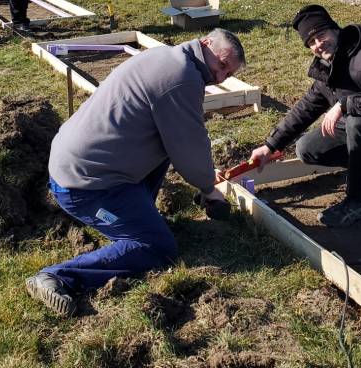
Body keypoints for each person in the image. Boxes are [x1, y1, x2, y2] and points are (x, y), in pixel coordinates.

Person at [25, 28, 244, 316]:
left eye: (229, 73)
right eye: (222, 64)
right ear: (205, 43)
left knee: (165, 144)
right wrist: (208, 188)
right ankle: (58, 277)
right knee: (157, 245)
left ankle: (137, 219)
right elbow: (190, 145)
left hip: (81, 163)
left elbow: (179, 142)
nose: (221, 76)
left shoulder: (166, 56)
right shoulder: (182, 78)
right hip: (84, 187)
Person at [250, 5, 361, 228]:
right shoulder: (328, 68)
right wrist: (270, 145)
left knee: (357, 121)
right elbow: (306, 108)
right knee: (307, 148)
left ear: (335, 29)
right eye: (311, 42)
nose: (318, 44)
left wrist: (345, 104)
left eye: (321, 35)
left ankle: (359, 202)